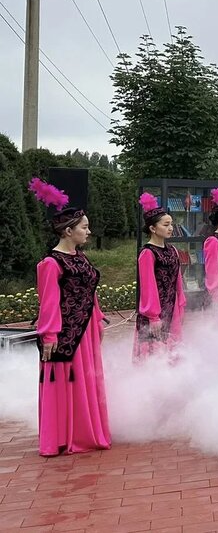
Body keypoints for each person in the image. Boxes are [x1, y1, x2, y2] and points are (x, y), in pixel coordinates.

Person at [29, 178, 111, 457]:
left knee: (86, 380)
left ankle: (85, 432)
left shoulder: (81, 258)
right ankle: (62, 437)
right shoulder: (51, 263)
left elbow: (91, 291)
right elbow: (49, 303)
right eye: (84, 227)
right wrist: (49, 334)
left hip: (85, 329)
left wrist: (98, 319)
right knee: (67, 380)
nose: (89, 231)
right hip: (65, 333)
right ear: (68, 231)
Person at [134, 193, 185, 359]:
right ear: (152, 228)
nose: (171, 228)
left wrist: (181, 303)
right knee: (153, 350)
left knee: (172, 347)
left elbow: (177, 280)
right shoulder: (148, 253)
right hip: (154, 313)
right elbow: (148, 287)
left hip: (172, 307)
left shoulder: (173, 251)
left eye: (171, 224)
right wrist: (153, 316)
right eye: (166, 224)